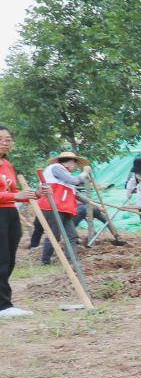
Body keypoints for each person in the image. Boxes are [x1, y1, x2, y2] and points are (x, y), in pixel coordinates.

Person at [0, 124, 29, 318]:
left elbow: (14, 193)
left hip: (10, 213)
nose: (4, 142)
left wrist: (33, 194)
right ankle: (3, 305)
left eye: (8, 139)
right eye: (0, 139)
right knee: (1, 259)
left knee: (9, 259)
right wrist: (16, 197)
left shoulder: (7, 165)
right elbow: (12, 196)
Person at [35, 151, 84, 266]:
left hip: (64, 209)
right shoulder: (56, 168)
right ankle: (45, 261)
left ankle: (72, 260)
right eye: (75, 164)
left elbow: (76, 194)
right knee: (54, 235)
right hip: (52, 207)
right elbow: (75, 181)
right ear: (70, 162)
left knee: (71, 235)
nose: (75, 167)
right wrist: (85, 173)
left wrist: (92, 204)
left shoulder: (66, 175)